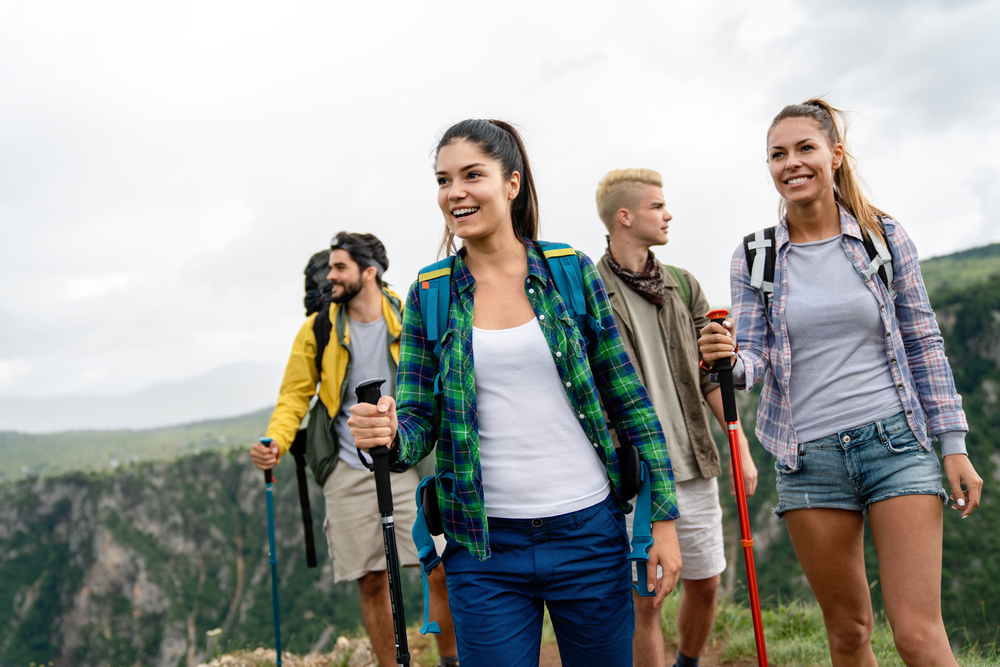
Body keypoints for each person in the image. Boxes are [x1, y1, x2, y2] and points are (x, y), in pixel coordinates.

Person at [349, 119, 683, 667]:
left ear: (512, 183)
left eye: (471, 175)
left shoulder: (568, 272)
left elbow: (629, 399)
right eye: (443, 180)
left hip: (588, 533)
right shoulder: (429, 293)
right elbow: (415, 421)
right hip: (481, 548)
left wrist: (663, 520)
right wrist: (387, 434)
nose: (455, 192)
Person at [698, 99, 984, 667]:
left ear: (835, 154)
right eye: (777, 154)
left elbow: (924, 340)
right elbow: (754, 361)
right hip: (808, 458)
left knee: (917, 636)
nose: (791, 163)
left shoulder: (883, 236)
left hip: (897, 445)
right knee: (849, 633)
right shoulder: (755, 256)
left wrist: (953, 444)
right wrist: (725, 363)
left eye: (805, 148)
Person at [251, 232, 458, 667]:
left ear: (370, 272)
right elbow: (295, 396)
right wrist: (276, 440)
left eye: (340, 267)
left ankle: (452, 659)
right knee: (370, 579)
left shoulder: (409, 315)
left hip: (409, 462)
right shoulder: (319, 328)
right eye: (329, 268)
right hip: (348, 466)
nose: (330, 276)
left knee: (438, 567)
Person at [594, 168, 758, 667]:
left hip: (692, 461)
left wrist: (741, 450)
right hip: (633, 472)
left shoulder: (683, 285)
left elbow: (712, 376)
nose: (668, 215)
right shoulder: (589, 291)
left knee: (705, 584)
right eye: (657, 207)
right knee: (646, 597)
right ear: (625, 216)